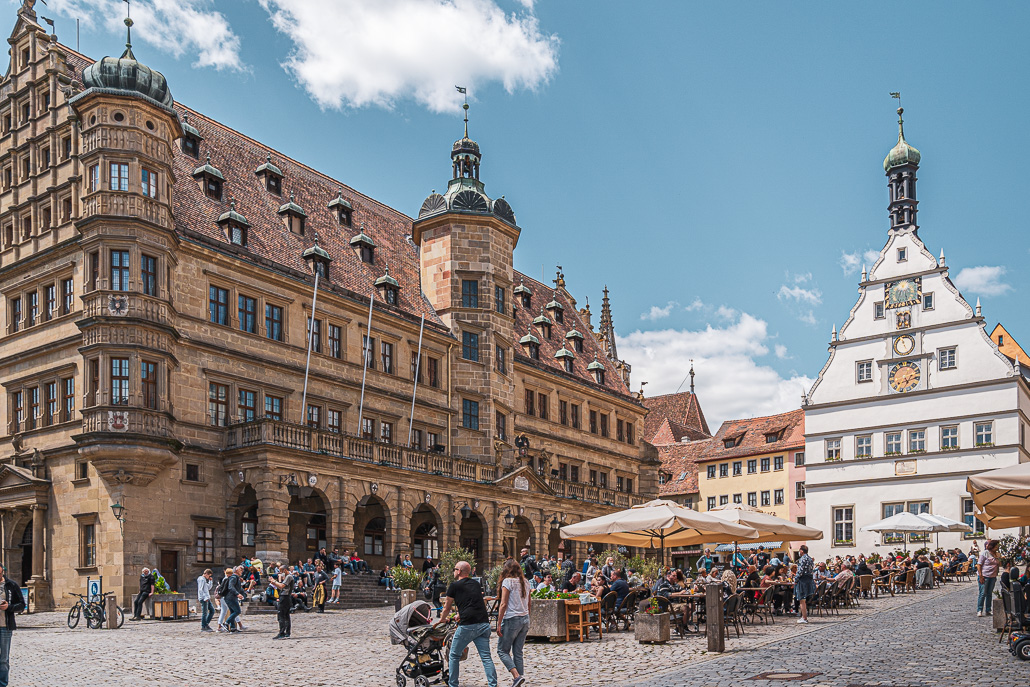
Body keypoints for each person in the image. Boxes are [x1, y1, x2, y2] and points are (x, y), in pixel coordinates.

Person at [439, 560, 497, 687]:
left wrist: (442, 619)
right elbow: (473, 602)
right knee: (486, 657)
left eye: (455, 569)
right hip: (483, 623)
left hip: (468, 625)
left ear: (459, 571)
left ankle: (453, 684)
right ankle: (493, 684)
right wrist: (460, 614)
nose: (454, 571)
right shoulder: (476, 584)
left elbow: (447, 607)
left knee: (453, 655)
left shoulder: (454, 586)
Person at [495, 559, 530, 687]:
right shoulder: (525, 582)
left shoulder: (507, 581)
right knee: (518, 652)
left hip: (511, 619)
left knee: (502, 651)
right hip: (525, 618)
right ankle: (519, 680)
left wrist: (498, 623)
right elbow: (529, 603)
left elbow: (503, 604)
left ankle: (516, 676)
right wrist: (527, 616)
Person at [0, 563, 25, 687]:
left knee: (3, 659)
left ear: (2, 572)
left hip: (5, 627)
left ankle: (3, 684)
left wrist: (8, 607)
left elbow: (21, 604)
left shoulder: (11, 585)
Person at [268, 561, 295, 640]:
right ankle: (287, 633)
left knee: (281, 615)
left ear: (285, 570)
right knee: (286, 615)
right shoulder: (287, 577)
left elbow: (281, 586)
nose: (279, 573)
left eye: (281, 571)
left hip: (285, 597)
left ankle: (282, 633)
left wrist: (273, 581)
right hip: (285, 596)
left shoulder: (289, 577)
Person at [976, 539, 1000, 617]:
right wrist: (981, 576)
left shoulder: (997, 554)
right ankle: (979, 610)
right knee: (983, 593)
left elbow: (999, 564)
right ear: (992, 546)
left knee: (989, 593)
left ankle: (988, 610)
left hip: (993, 576)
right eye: (996, 546)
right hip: (984, 576)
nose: (997, 547)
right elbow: (979, 565)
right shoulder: (985, 553)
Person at [794, 544, 815, 625]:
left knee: (801, 599)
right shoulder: (810, 559)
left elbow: (800, 571)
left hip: (802, 580)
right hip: (809, 580)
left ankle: (804, 617)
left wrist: (796, 579)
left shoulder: (802, 559)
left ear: (801, 551)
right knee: (804, 599)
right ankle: (804, 616)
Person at [223, 566, 245, 632]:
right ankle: (226, 623)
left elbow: (237, 587)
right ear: (236, 571)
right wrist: (237, 594)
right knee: (237, 611)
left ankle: (233, 628)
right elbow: (231, 587)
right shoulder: (234, 577)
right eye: (241, 570)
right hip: (231, 597)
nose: (242, 571)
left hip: (230, 597)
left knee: (232, 612)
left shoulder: (236, 578)